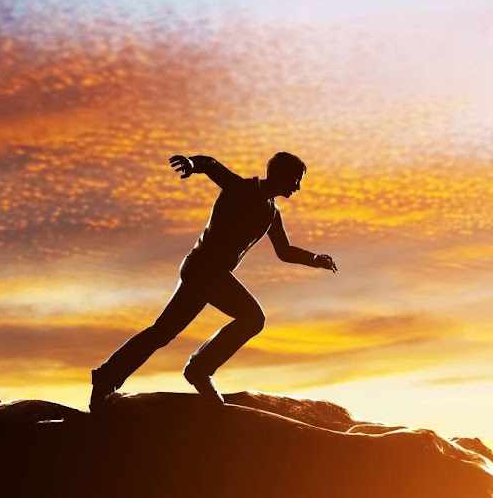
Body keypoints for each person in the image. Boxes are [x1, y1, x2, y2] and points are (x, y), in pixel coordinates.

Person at [90, 151, 337, 409]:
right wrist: (192, 164)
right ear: (279, 174)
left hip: (212, 275)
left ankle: (106, 377)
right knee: (252, 318)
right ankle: (198, 369)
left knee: (162, 332)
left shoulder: (272, 212)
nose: (297, 187)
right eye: (295, 179)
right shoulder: (241, 189)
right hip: (203, 269)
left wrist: (315, 258)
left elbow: (284, 251)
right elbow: (212, 166)